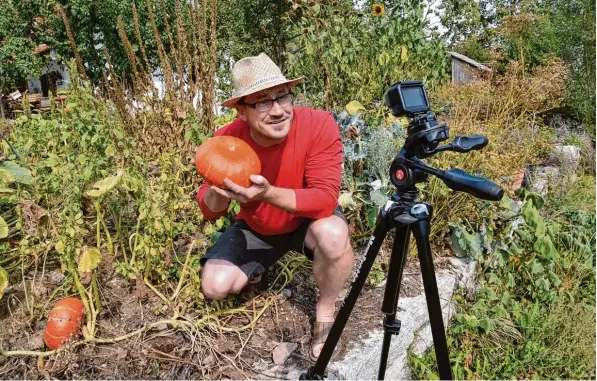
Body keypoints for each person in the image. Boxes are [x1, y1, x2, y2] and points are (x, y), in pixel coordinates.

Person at [194, 53, 354, 361]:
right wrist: (216, 192)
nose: (278, 110)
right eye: (262, 102)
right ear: (241, 111)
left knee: (334, 233)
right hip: (258, 227)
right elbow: (210, 211)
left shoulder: (318, 124)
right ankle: (259, 270)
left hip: (306, 221)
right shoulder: (225, 139)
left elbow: (324, 199)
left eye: (282, 96)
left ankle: (325, 311)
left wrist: (266, 195)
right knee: (215, 285)